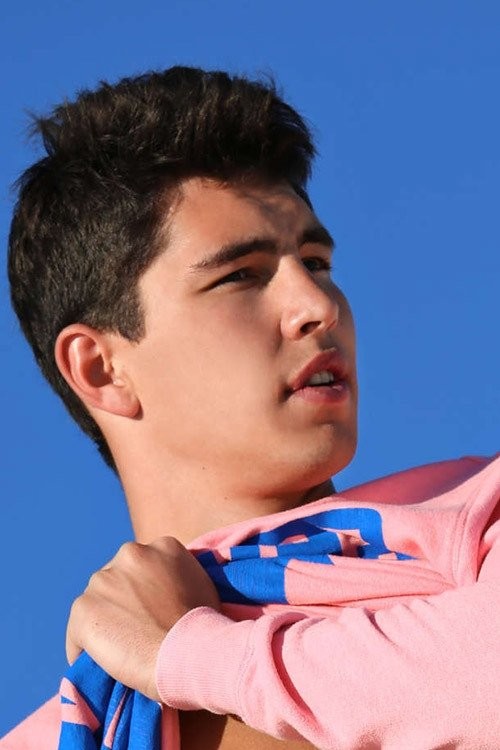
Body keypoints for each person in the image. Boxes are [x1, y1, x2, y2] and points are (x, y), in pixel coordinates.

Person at [3, 66, 499, 750]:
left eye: (316, 263)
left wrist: (186, 654)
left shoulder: (476, 509)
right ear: (100, 367)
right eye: (240, 275)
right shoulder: (67, 731)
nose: (317, 306)